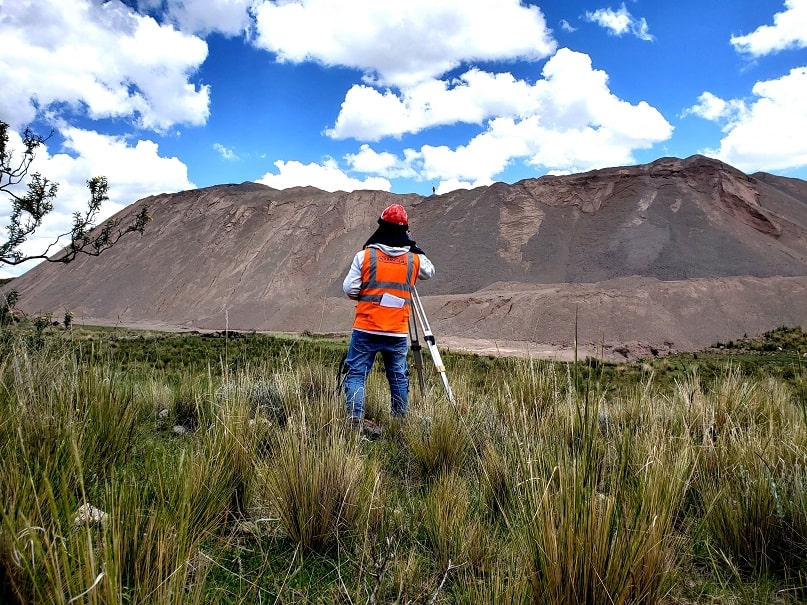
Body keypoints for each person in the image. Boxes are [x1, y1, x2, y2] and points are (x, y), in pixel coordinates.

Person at [342, 204, 435, 432]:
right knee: (398, 376)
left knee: (356, 374)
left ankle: (354, 421)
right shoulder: (413, 259)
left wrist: (368, 293)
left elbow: (350, 289)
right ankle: (399, 424)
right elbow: (430, 271)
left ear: (381, 226)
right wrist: (412, 245)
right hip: (397, 330)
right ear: (404, 230)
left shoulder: (364, 256)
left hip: (366, 327)